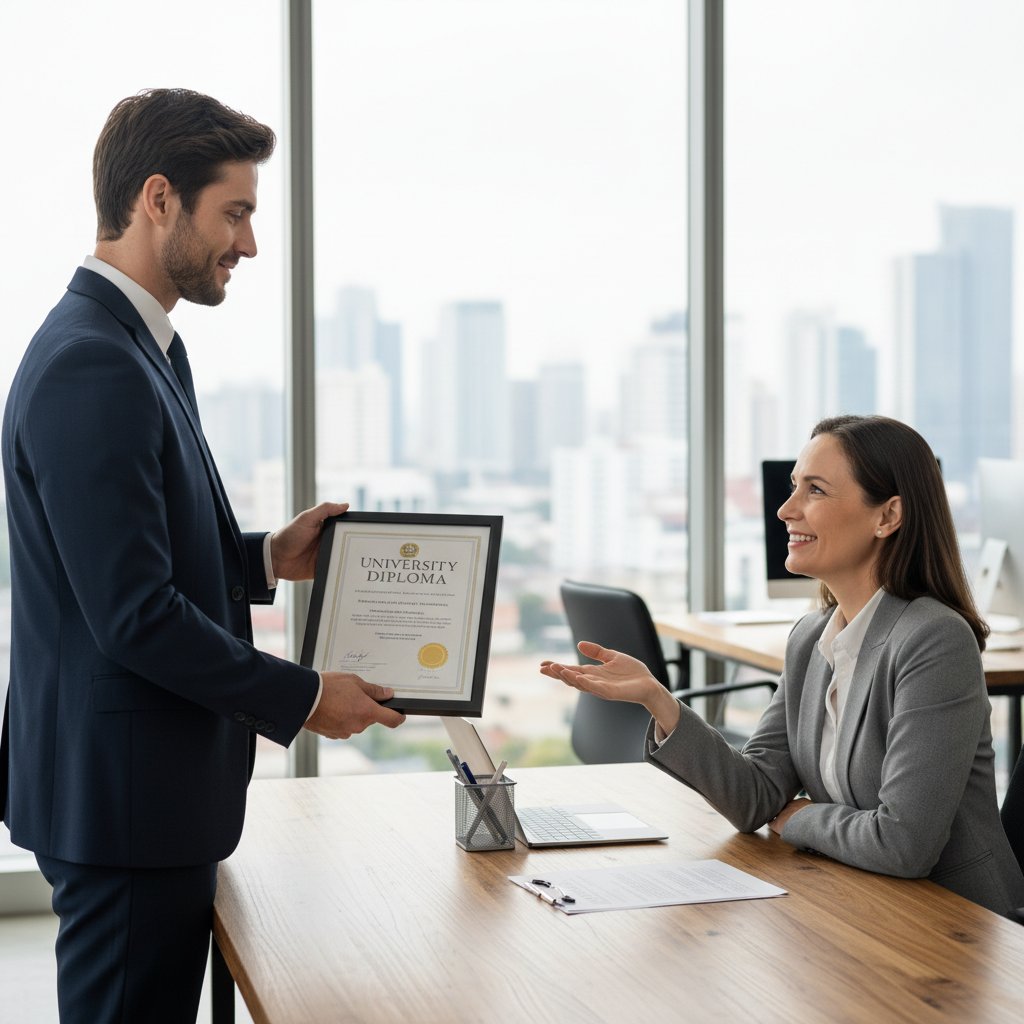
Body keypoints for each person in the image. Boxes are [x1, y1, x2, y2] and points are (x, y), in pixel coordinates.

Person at [0, 88, 406, 1022]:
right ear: (157, 199)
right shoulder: (93, 362)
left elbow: (131, 557)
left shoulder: (132, 345)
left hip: (136, 790)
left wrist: (263, 557)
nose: (250, 244)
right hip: (127, 800)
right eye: (236, 212)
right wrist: (304, 696)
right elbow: (134, 615)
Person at [541, 415, 1024, 917]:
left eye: (814, 490)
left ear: (888, 516)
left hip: (956, 923)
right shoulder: (811, 638)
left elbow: (903, 844)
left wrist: (798, 818)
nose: (786, 509)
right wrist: (658, 701)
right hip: (860, 901)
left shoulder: (933, 640)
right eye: (794, 487)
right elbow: (755, 799)